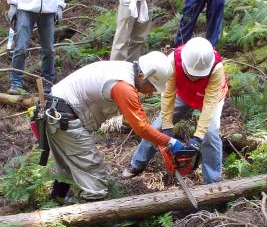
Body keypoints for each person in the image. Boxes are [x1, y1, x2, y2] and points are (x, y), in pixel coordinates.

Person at [45, 51, 184, 201]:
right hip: (64, 117)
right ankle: (92, 220)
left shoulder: (126, 72)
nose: (153, 92)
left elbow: (138, 120)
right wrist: (171, 142)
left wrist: (160, 141)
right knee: (96, 181)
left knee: (67, 168)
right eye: (153, 86)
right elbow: (141, 127)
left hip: (58, 110)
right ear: (143, 76)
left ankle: (54, 206)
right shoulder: (123, 86)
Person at [123, 37, 227, 184]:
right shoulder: (173, 60)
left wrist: (198, 137)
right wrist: (167, 126)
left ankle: (213, 182)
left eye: (198, 75)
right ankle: (137, 164)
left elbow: (210, 103)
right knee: (157, 127)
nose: (194, 77)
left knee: (210, 134)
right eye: (191, 74)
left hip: (210, 98)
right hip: (182, 94)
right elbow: (168, 93)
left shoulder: (216, 67)